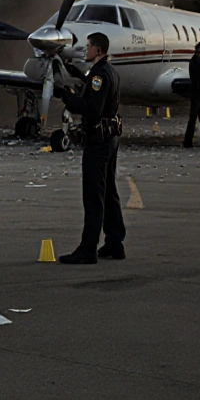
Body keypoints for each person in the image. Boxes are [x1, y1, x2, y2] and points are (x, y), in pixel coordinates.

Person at [56, 32, 124, 264]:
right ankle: (115, 242)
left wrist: (69, 99)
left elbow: (93, 108)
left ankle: (88, 248)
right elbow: (98, 92)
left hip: (98, 141)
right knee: (108, 191)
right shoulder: (108, 72)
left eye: (88, 47)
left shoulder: (99, 75)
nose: (86, 50)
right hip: (110, 138)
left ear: (98, 50)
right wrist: (77, 75)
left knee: (93, 194)